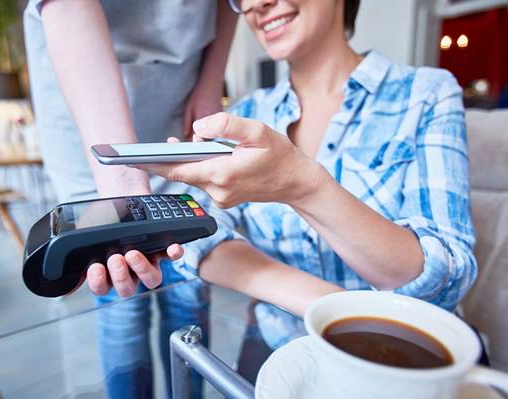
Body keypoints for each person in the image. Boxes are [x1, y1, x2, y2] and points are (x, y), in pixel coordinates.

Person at [138, 0, 478, 356]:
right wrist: (329, 304)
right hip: (281, 347)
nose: (256, 4)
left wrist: (303, 184)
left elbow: (446, 280)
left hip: (401, 357)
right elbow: (195, 237)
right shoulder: (248, 115)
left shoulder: (426, 94)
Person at [23, 1, 237, 397]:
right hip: (85, 101)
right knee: (123, 299)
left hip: (177, 94)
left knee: (187, 286)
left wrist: (212, 79)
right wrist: (122, 182)